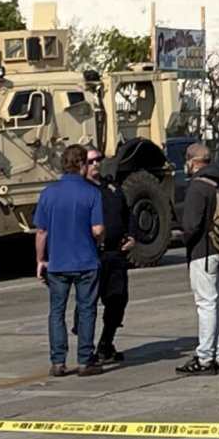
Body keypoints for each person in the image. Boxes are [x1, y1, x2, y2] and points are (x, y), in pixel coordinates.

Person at [36, 145, 105, 377]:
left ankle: (58, 361)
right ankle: (85, 360)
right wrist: (99, 242)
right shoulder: (91, 193)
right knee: (86, 310)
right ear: (81, 165)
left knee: (56, 311)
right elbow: (97, 229)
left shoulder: (48, 193)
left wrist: (40, 260)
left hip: (57, 263)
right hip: (86, 261)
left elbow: (41, 232)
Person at [176, 144, 219, 376]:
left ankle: (205, 357)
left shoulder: (197, 186)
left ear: (192, 161)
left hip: (202, 252)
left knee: (205, 304)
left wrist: (187, 239)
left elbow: (191, 225)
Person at [85, 146, 137, 364]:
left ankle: (107, 342)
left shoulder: (112, 187)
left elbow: (127, 214)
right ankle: (85, 350)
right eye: (91, 161)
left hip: (116, 253)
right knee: (87, 305)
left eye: (98, 159)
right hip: (92, 255)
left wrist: (132, 236)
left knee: (117, 299)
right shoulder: (82, 190)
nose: (96, 164)